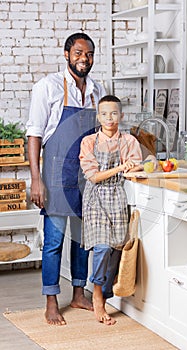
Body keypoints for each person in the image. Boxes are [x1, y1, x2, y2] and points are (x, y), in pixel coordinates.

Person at [26, 32, 106, 326]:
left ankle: (78, 294)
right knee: (54, 242)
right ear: (66, 54)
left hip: (87, 176)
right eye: (79, 53)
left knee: (83, 240)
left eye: (89, 54)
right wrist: (36, 179)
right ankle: (50, 301)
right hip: (56, 175)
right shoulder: (47, 88)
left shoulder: (98, 90)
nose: (84, 59)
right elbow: (34, 134)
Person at [79, 95, 156, 326]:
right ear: (98, 116)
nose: (109, 118)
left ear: (121, 116)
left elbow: (147, 160)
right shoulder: (89, 142)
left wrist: (138, 165)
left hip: (118, 198)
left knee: (115, 249)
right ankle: (97, 296)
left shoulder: (129, 141)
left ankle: (106, 290)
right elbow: (93, 176)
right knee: (102, 247)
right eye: (104, 114)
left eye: (114, 113)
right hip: (96, 199)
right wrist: (122, 167)